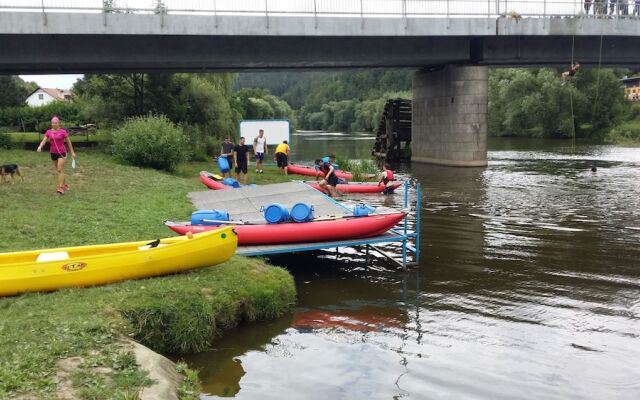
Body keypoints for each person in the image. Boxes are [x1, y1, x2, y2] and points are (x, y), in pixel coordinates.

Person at [37, 116, 76, 195]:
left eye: (56, 123)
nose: (54, 124)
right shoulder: (48, 132)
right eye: (53, 123)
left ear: (59, 123)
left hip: (62, 153)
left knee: (59, 169)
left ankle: (61, 187)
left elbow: (69, 142)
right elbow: (44, 140)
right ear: (51, 124)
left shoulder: (63, 132)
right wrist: (40, 146)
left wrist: (72, 152)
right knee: (59, 170)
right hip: (53, 153)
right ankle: (65, 185)